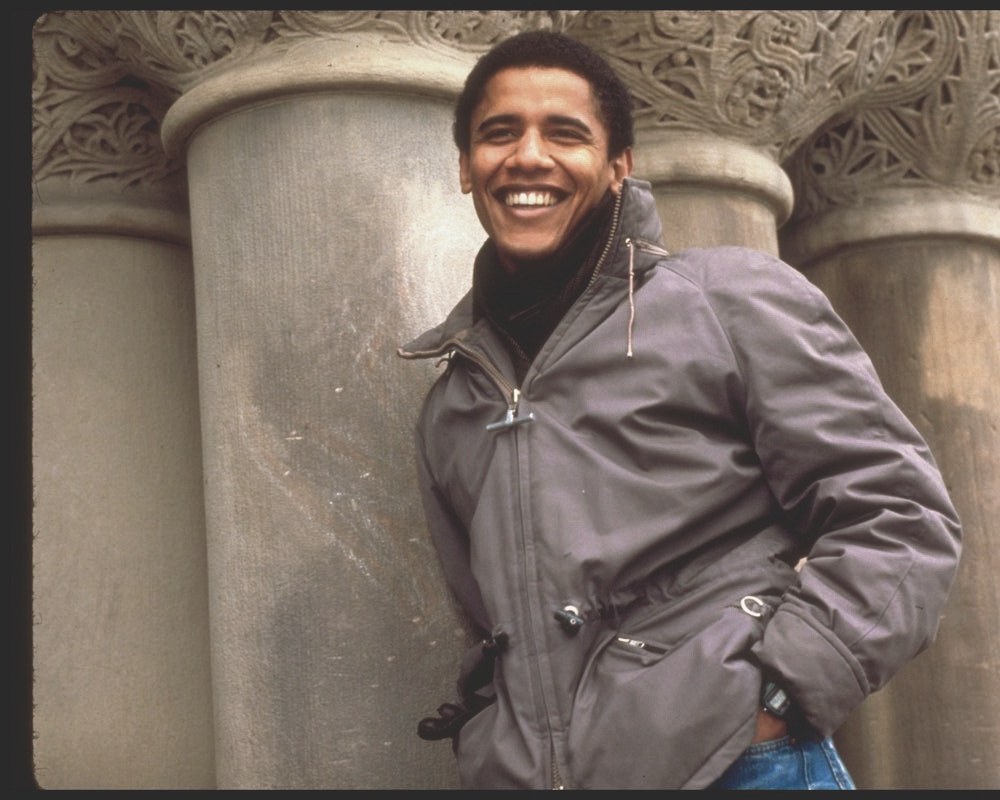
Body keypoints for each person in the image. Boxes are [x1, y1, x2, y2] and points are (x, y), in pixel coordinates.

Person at [397, 30, 961, 790]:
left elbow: (900, 514)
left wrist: (780, 692)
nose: (529, 156)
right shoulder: (454, 401)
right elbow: (488, 625)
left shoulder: (726, 299)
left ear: (619, 165)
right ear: (467, 167)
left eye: (565, 134)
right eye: (500, 133)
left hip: (741, 764)